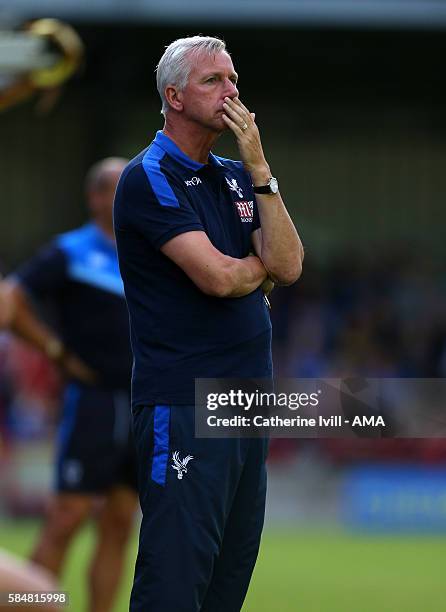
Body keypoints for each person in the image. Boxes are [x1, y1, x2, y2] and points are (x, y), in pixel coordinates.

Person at [114, 35, 304, 612]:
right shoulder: (149, 176)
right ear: (173, 96)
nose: (232, 92)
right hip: (185, 403)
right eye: (213, 81)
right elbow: (219, 278)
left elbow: (289, 265)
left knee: (226, 586)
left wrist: (262, 170)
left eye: (233, 79)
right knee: (174, 585)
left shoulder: (236, 176)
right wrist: (256, 269)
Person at [0, 158, 138, 612]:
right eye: (116, 189)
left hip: (142, 402)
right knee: (67, 518)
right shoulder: (71, 251)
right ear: (95, 198)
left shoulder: (151, 252)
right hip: (93, 399)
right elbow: (11, 299)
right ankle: (27, 606)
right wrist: (55, 352)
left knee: (120, 522)